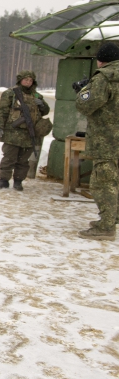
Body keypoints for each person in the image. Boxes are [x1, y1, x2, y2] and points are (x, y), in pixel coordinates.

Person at [75, 42, 119, 241]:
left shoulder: (104, 77)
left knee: (103, 182)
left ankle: (106, 226)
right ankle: (114, 216)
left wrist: (82, 90)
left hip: (108, 141)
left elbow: (86, 105)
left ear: (101, 60)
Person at [0, 70, 50, 191]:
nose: (28, 82)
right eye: (26, 80)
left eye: (30, 80)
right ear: (20, 80)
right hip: (13, 132)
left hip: (29, 133)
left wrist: (42, 105)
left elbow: (45, 111)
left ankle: (18, 181)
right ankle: (3, 180)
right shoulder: (11, 94)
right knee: (9, 158)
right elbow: (1, 110)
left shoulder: (37, 96)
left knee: (23, 160)